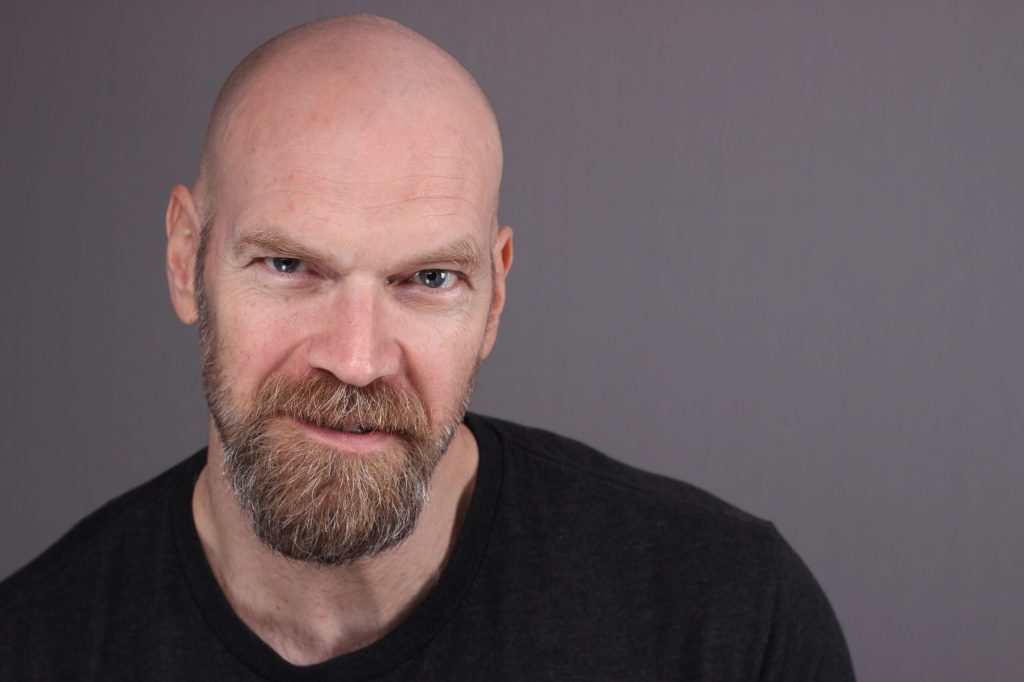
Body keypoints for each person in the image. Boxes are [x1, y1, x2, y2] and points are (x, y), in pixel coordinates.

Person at [0, 15, 854, 680]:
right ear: (186, 258)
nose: (358, 358)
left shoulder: (730, 622)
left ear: (495, 296)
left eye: (429, 279)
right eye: (290, 266)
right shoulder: (35, 646)